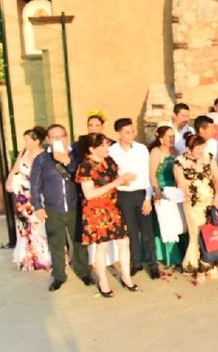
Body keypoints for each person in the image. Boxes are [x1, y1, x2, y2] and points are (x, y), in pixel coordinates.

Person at [31, 124, 93, 291]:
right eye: (54, 137)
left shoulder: (77, 156)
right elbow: (35, 184)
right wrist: (38, 206)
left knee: (79, 241)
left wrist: (66, 160)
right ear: (48, 140)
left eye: (61, 136)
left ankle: (84, 272)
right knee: (56, 243)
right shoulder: (42, 159)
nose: (58, 140)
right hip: (53, 208)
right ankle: (59, 275)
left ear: (66, 137)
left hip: (75, 205)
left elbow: (81, 175)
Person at [76, 133, 138, 297]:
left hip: (112, 207)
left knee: (124, 241)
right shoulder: (86, 166)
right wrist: (116, 182)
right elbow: (89, 194)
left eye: (107, 145)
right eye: (102, 146)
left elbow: (115, 179)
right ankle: (103, 281)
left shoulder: (109, 161)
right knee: (102, 246)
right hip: (96, 210)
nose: (106, 148)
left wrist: (124, 180)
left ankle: (126, 277)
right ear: (92, 148)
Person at [109, 118, 160, 280]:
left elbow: (146, 174)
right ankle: (136, 262)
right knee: (131, 231)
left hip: (141, 193)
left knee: (147, 231)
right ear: (118, 134)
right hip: (123, 194)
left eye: (132, 131)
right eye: (127, 132)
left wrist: (147, 197)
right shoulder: (112, 151)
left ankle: (152, 264)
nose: (131, 135)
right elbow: (110, 174)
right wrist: (120, 178)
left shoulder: (141, 149)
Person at [174, 134, 218, 280]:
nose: (200, 150)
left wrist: (216, 197)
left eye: (202, 146)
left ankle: (213, 263)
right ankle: (199, 265)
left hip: (211, 200)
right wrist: (186, 194)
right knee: (196, 233)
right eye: (197, 147)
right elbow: (181, 183)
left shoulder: (209, 157)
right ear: (189, 147)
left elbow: (217, 179)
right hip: (193, 203)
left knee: (213, 231)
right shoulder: (180, 161)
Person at [7, 126, 50, 271]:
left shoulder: (44, 155)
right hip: (23, 196)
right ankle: (28, 257)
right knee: (25, 228)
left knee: (39, 226)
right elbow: (15, 169)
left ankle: (44, 257)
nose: (25, 142)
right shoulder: (23, 152)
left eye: (27, 139)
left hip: (38, 195)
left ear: (37, 140)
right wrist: (9, 181)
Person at [149, 125, 187, 269]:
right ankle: (171, 257)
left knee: (179, 223)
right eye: (168, 136)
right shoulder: (156, 152)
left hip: (176, 192)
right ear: (160, 138)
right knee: (167, 225)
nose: (171, 139)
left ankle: (183, 255)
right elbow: (152, 174)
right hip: (163, 191)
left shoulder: (176, 151)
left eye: (173, 136)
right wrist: (157, 190)